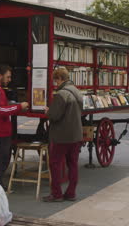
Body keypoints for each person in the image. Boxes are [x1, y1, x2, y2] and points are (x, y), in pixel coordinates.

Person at [43, 67, 83, 202]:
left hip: (62, 135)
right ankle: (71, 193)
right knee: (73, 164)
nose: (55, 83)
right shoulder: (77, 91)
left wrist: (48, 111)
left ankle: (56, 194)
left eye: (55, 80)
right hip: (76, 134)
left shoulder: (62, 93)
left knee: (54, 163)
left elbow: (55, 116)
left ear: (60, 79)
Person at [0, 64, 28, 187]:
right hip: (0, 129)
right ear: (0, 76)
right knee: (1, 159)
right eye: (7, 77)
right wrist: (19, 106)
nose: (9, 80)